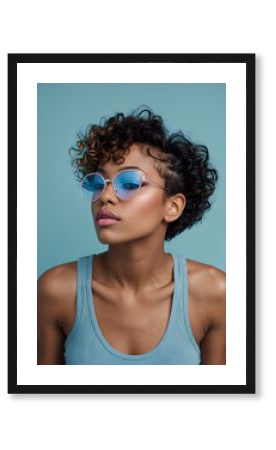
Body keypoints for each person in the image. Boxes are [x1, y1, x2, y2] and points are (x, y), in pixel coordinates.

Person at [37, 107, 226, 365]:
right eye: (98, 183)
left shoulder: (215, 293)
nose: (104, 196)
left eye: (129, 183)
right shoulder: (56, 290)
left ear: (173, 207)